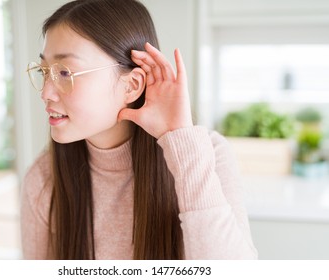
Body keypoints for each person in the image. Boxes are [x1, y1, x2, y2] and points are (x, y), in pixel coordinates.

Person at [21, 0, 258, 260]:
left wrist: (180, 139)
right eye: (44, 71)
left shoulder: (208, 155)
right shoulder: (44, 179)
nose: (45, 93)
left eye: (65, 72)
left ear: (132, 85)